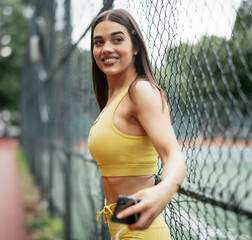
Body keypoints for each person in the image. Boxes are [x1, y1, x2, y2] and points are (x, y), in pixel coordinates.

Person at [87, 9, 186, 239]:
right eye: (98, 42)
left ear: (135, 47)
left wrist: (163, 191)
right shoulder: (112, 98)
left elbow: (174, 155)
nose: (106, 48)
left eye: (117, 39)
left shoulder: (141, 91)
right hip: (120, 229)